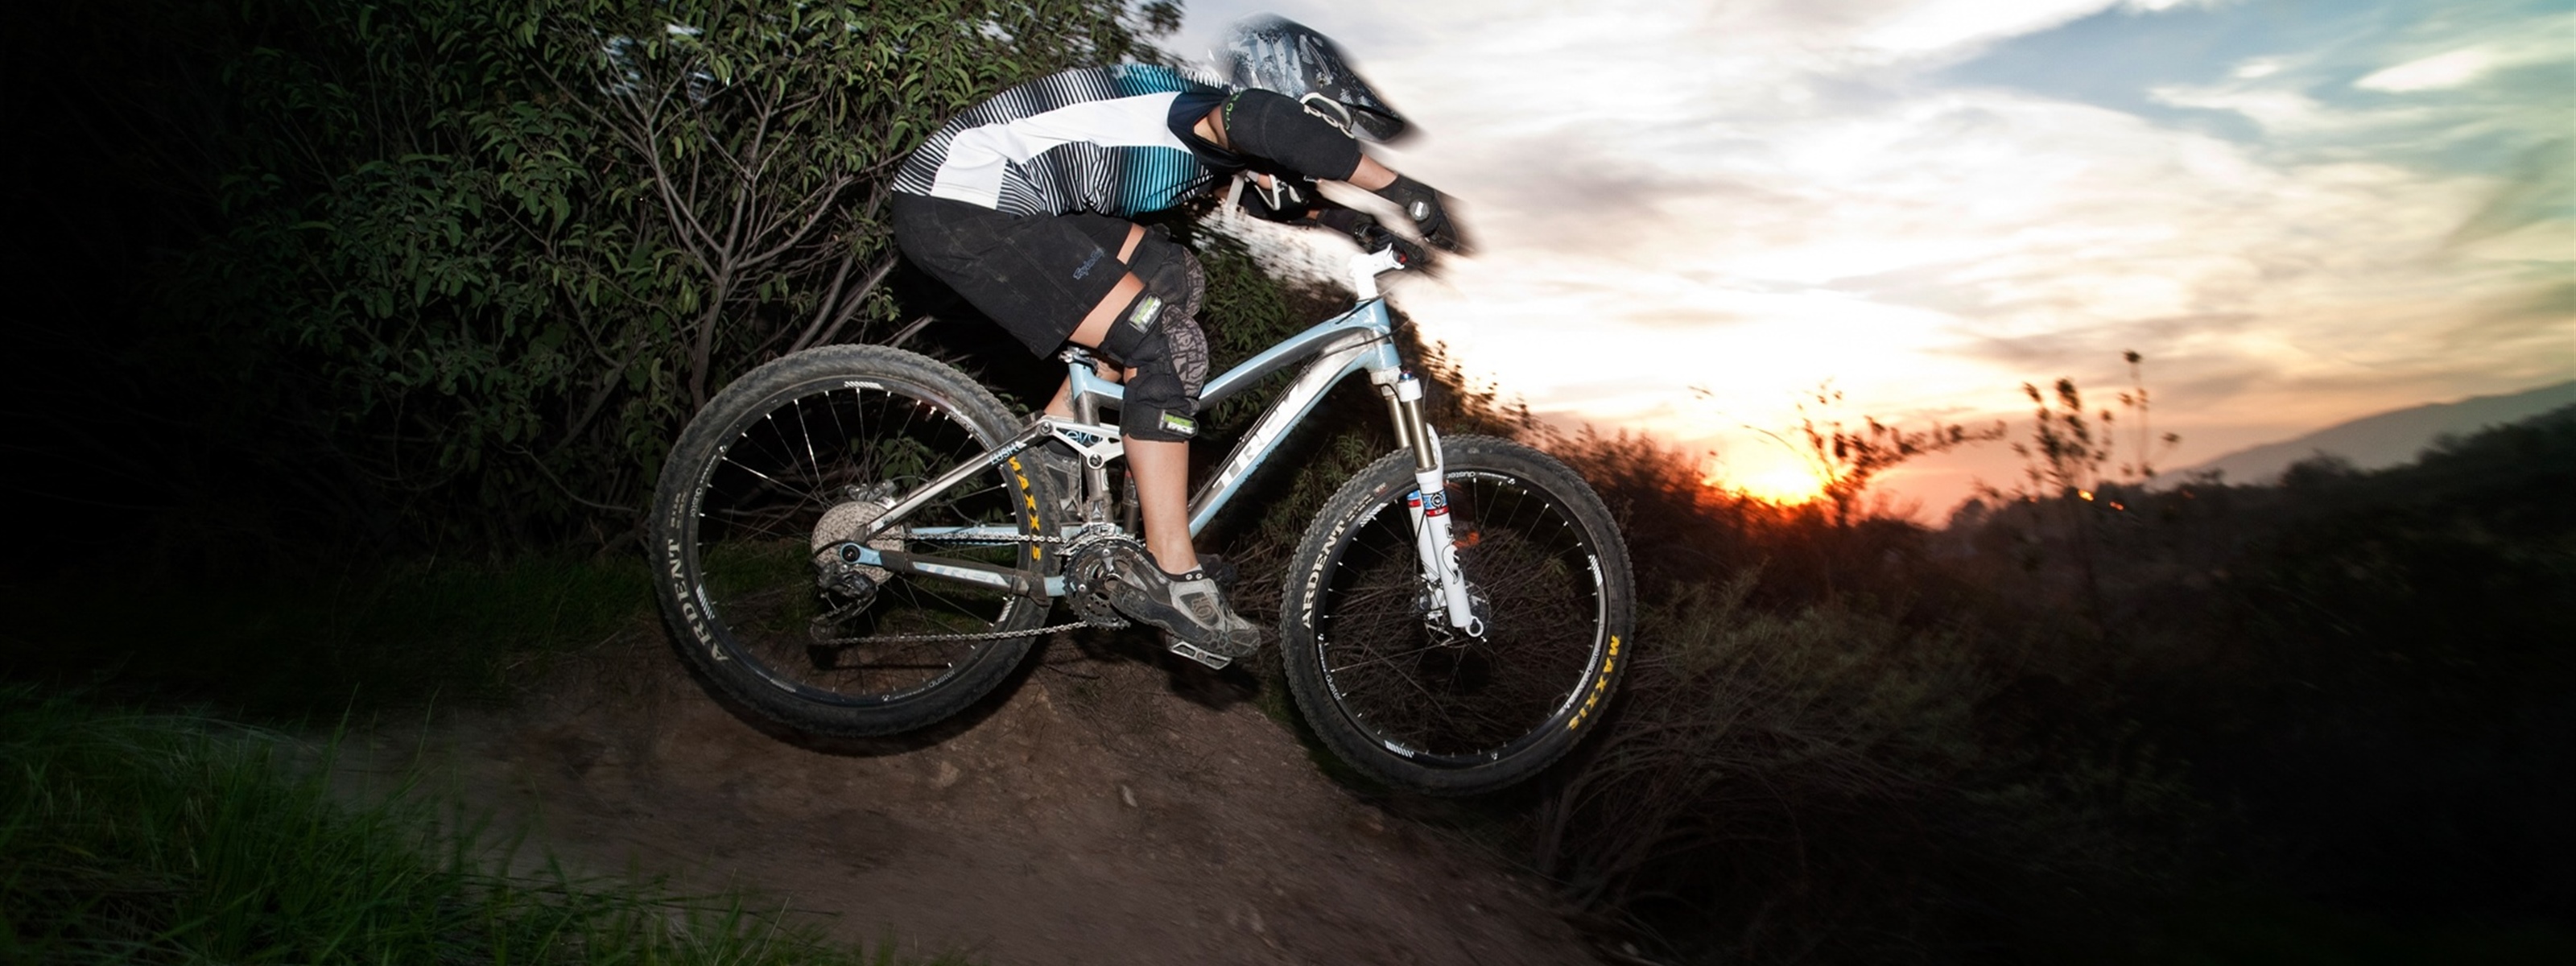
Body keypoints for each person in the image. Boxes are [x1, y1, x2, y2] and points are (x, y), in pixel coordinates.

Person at [888, 14, 1466, 661]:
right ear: (1288, 94)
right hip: (966, 198)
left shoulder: (1199, 132)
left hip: (1000, 198)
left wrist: (1357, 224)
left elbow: (1267, 196)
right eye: (1328, 126)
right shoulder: (1201, 105)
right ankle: (1171, 570)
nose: (1325, 147)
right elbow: (1269, 124)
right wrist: (1400, 188)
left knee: (1171, 277)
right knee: (1169, 344)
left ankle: (1051, 456)